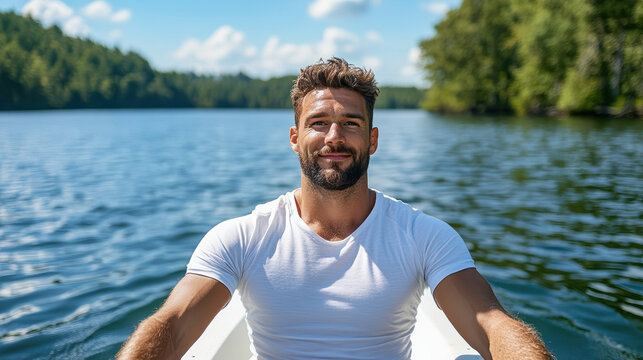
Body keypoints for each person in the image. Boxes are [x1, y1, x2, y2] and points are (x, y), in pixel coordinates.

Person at [117, 58, 554, 360]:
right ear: (294, 137)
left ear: (374, 139)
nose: (334, 138)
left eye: (351, 123)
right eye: (319, 123)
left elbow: (490, 325)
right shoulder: (242, 237)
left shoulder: (423, 236)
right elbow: (172, 326)